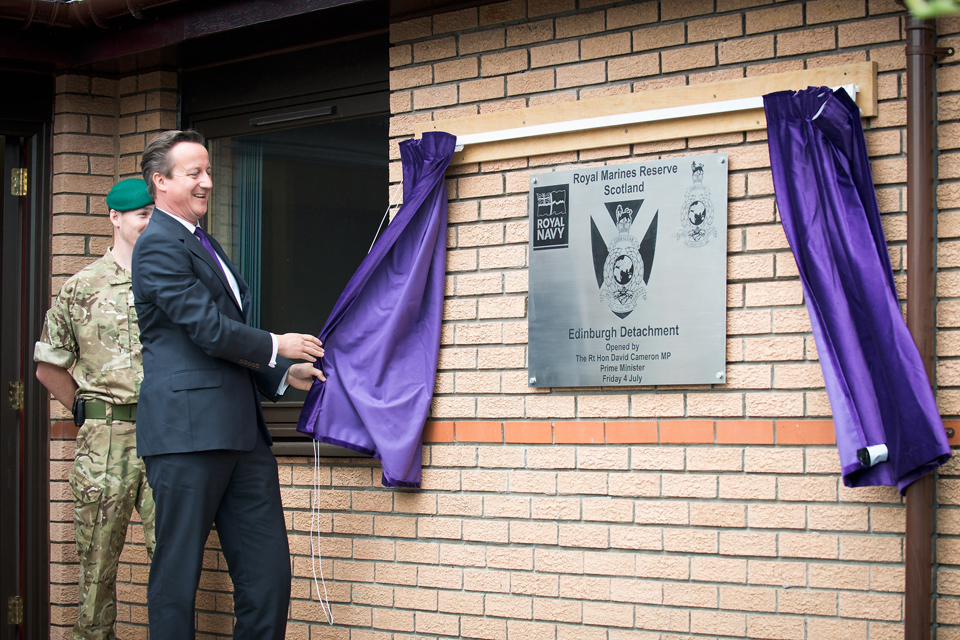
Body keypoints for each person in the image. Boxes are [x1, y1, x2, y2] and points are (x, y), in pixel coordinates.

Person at [131, 129, 325, 640]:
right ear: (160, 182)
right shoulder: (156, 247)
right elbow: (206, 329)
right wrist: (277, 345)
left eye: (209, 172)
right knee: (176, 580)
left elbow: (220, 341)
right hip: (185, 437)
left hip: (243, 436)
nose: (208, 183)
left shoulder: (203, 241)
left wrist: (282, 375)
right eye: (194, 173)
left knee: (268, 579)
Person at [35, 178, 156, 639]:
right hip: (103, 445)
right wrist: (86, 412)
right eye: (142, 216)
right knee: (97, 567)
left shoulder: (169, 282)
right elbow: (49, 365)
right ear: (116, 218)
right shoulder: (81, 287)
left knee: (170, 563)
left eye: (155, 216)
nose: (149, 224)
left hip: (164, 439)